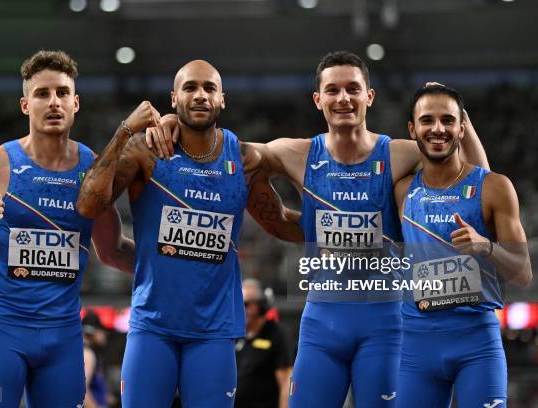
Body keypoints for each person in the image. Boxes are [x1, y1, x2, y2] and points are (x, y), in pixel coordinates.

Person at [149, 51, 489, 407]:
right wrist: (178, 120)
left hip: (385, 322)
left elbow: (481, 183)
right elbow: (224, 152)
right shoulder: (295, 153)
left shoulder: (400, 154)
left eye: (352, 89)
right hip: (322, 322)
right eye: (333, 90)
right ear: (318, 99)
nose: (343, 98)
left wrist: (462, 118)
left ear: (368, 97)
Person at [76, 59, 303, 407]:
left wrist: (353, 229)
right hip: (153, 326)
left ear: (222, 99)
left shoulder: (242, 160)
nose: (200, 95)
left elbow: (281, 222)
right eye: (190, 87)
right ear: (174, 98)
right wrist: (123, 131)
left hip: (213, 332)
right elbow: (89, 205)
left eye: (209, 88)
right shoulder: (145, 150)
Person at [0, 50, 135, 407]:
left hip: (64, 335)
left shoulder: (95, 171)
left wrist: (175, 261)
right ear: (25, 105)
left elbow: (113, 250)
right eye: (42, 94)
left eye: (62, 93)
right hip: (0, 331)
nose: (53, 102)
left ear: (76, 103)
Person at [394, 84, 532, 407]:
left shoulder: (494, 188)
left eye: (447, 120)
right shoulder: (402, 192)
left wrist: (487, 247)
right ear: (412, 129)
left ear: (461, 127)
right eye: (427, 120)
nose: (438, 128)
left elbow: (524, 273)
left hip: (477, 344)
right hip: (416, 346)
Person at [235, 279, 293, 408]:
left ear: (262, 305)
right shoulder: (232, 333)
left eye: (246, 304)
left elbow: (285, 382)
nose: (241, 309)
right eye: (237, 304)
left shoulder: (276, 333)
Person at [83, 311, 111, 408]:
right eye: (102, 331)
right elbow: (83, 390)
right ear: (92, 331)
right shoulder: (87, 354)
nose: (105, 335)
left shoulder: (85, 351)